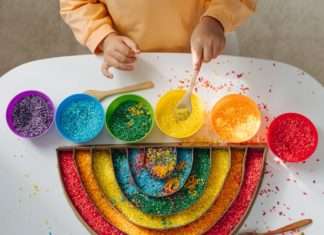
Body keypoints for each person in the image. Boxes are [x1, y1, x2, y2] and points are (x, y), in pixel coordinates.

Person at [60, 0, 256, 78]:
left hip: (206, 43)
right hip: (125, 54)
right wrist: (103, 36)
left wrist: (215, 19)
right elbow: (77, 5)